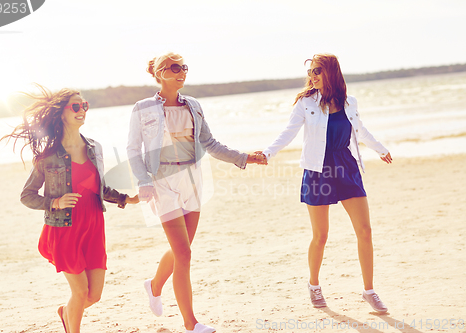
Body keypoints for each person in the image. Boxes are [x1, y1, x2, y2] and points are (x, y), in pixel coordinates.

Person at [127, 52, 266, 333]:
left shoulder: (194, 105)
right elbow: (133, 149)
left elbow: (210, 143)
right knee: (184, 254)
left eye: (184, 68)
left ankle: (154, 286)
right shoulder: (142, 108)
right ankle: (191, 324)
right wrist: (143, 181)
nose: (182, 73)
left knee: (183, 250)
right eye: (175, 68)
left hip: (192, 180)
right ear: (159, 73)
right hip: (162, 182)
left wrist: (244, 157)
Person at [260, 54, 392, 313]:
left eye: (318, 70)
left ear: (331, 72)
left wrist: (380, 149)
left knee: (365, 231)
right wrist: (267, 153)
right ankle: (314, 285)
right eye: (311, 71)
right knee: (321, 236)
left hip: (346, 166)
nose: (313, 75)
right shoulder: (306, 103)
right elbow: (288, 132)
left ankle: (369, 291)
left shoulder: (349, 102)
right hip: (317, 170)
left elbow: (360, 129)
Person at [1, 85, 139, 333]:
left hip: (94, 225)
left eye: (84, 105)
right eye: (76, 106)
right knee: (79, 291)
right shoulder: (48, 156)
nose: (82, 110)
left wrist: (127, 199)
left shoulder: (95, 148)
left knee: (93, 295)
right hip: (64, 229)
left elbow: (100, 187)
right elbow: (27, 196)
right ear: (62, 113)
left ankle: (66, 314)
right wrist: (54, 202)